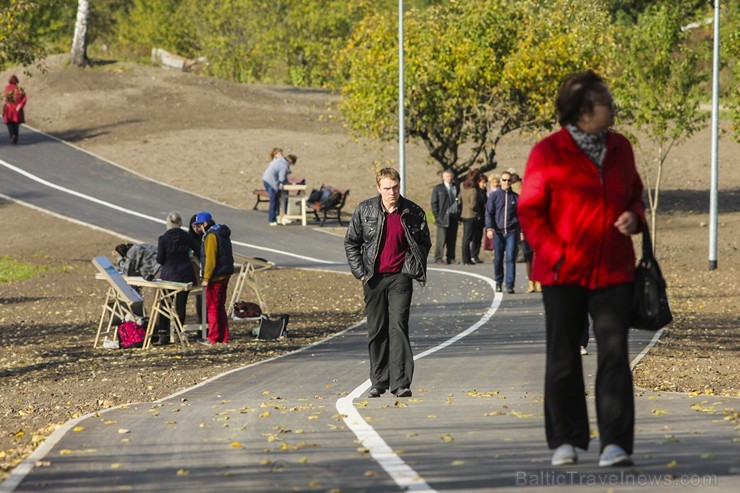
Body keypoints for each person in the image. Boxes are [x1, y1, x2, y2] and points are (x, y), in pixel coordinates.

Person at [517, 70, 645, 468]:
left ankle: (616, 445)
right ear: (584, 109)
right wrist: (556, 254)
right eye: (607, 101)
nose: (613, 107)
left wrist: (633, 217)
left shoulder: (621, 147)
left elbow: (635, 194)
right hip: (562, 273)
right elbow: (530, 211)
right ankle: (566, 440)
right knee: (563, 356)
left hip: (613, 272)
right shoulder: (547, 151)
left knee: (613, 355)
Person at [344, 167, 431, 399]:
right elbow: (351, 242)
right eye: (387, 188)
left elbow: (424, 243)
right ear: (378, 188)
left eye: (395, 187)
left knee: (399, 328)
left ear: (399, 186)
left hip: (400, 278)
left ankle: (401, 383)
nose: (392, 192)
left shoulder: (413, 212)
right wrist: (361, 273)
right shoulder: (365, 210)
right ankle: (379, 381)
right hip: (373, 278)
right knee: (377, 330)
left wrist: (411, 266)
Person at [155, 212, 199, 345]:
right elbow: (198, 250)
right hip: (185, 273)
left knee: (165, 304)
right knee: (181, 305)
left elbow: (160, 259)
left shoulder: (163, 238)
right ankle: (180, 333)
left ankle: (164, 334)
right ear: (180, 222)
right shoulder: (187, 236)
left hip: (168, 275)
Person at [192, 211, 234, 345]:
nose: (198, 228)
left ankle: (213, 337)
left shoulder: (210, 236)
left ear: (205, 223)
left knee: (212, 307)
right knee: (220, 306)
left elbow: (210, 259)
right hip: (225, 274)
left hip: (215, 277)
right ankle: (223, 336)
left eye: (199, 225)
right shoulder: (221, 232)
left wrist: (206, 278)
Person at [485, 170, 520, 293]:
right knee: (498, 258)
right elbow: (489, 213)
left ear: (511, 182)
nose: (506, 182)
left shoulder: (515, 197)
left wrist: (522, 232)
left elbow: (521, 216)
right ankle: (498, 282)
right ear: (500, 181)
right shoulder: (494, 196)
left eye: (509, 180)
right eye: (504, 180)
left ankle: (510, 284)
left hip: (512, 231)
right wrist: (489, 228)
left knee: (511, 257)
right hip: (498, 232)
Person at [430, 169, 460, 264]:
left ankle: (451, 257)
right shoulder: (438, 188)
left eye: (451, 176)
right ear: (443, 177)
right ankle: (438, 257)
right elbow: (434, 203)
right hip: (442, 218)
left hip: (453, 217)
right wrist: (437, 216)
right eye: (447, 176)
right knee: (441, 240)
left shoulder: (456, 187)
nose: (449, 178)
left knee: (452, 239)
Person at [261, 148, 294, 226]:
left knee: (275, 200)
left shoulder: (278, 161)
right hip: (271, 182)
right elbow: (282, 177)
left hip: (266, 180)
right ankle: (272, 220)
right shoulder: (284, 164)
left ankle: (277, 217)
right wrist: (283, 183)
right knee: (274, 200)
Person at [459, 170, 482, 265]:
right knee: (467, 239)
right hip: (471, 215)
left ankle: (465, 258)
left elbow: (460, 200)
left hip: (464, 214)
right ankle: (466, 259)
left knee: (465, 238)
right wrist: (479, 211)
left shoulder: (462, 186)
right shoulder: (473, 190)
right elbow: (473, 205)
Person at [471, 173, 488, 263]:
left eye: (485, 183)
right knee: (475, 238)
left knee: (479, 238)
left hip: (482, 218)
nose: (484, 185)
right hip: (476, 218)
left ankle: (475, 255)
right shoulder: (476, 192)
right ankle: (472, 255)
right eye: (483, 183)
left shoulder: (483, 192)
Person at [4, 75, 26, 145]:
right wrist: (20, 105)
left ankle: (12, 135)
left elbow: (9, 99)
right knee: (16, 123)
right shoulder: (20, 89)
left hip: (9, 108)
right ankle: (15, 137)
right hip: (18, 109)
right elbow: (24, 98)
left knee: (9, 123)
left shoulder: (7, 88)